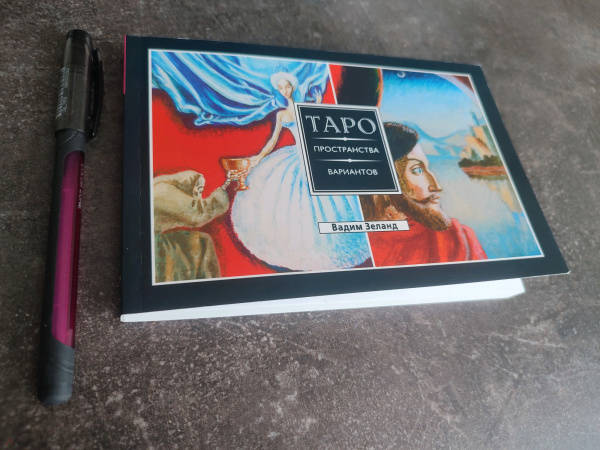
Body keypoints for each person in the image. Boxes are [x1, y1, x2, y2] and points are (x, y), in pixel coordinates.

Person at [230, 72, 371, 271]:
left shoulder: (308, 107)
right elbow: (272, 141)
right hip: (295, 157)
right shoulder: (281, 115)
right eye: (281, 88)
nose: (284, 91)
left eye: (287, 86)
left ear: (293, 86)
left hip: (317, 155)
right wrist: (258, 157)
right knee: (291, 202)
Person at [365, 123, 487, 265]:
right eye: (417, 170)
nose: (436, 186)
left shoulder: (459, 240)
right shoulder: (356, 250)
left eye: (426, 168)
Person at [153, 169, 240, 282]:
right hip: (155, 246)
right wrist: (226, 189)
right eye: (198, 190)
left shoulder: (163, 188)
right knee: (201, 242)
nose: (199, 196)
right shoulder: (164, 191)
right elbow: (197, 215)